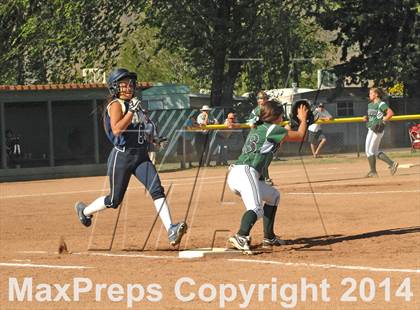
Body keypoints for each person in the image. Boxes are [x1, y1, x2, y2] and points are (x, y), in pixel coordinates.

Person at [74, 68, 187, 246]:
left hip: (141, 155)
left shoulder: (135, 105)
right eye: (123, 84)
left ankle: (171, 229)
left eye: (130, 84)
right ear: (115, 87)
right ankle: (85, 211)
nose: (128, 87)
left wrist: (154, 139)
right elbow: (118, 129)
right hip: (122, 156)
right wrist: (130, 112)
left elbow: (144, 127)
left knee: (157, 189)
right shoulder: (117, 105)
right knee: (114, 200)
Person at [227, 100, 309, 252]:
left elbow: (275, 142)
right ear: (276, 116)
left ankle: (269, 237)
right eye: (281, 115)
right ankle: (241, 236)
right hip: (245, 172)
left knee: (273, 195)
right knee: (256, 209)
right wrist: (303, 119)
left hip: (238, 173)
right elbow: (300, 135)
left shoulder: (259, 127)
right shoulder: (272, 129)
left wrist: (288, 125)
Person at [363, 87, 398, 177]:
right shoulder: (370, 105)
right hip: (370, 128)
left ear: (376, 94)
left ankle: (373, 172)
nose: (369, 95)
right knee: (371, 151)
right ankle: (391, 163)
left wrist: (383, 121)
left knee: (370, 151)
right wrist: (366, 118)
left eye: (371, 93)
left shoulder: (381, 104)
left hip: (377, 130)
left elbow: (390, 113)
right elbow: (371, 116)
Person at [246, 91, 274, 185]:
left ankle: (262, 177)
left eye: (265, 98)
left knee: (268, 157)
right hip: (259, 137)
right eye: (261, 98)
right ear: (258, 100)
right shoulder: (256, 111)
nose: (263, 100)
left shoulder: (270, 109)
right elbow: (251, 123)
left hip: (268, 136)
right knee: (260, 158)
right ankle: (264, 178)